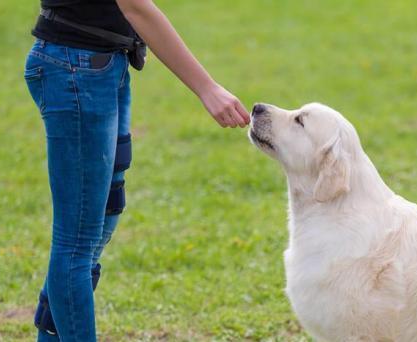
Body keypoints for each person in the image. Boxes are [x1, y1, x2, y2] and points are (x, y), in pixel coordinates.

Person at [23, 0, 250, 340]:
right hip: (74, 71)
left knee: (105, 214)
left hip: (104, 66)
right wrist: (208, 88)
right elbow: (136, 8)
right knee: (77, 243)